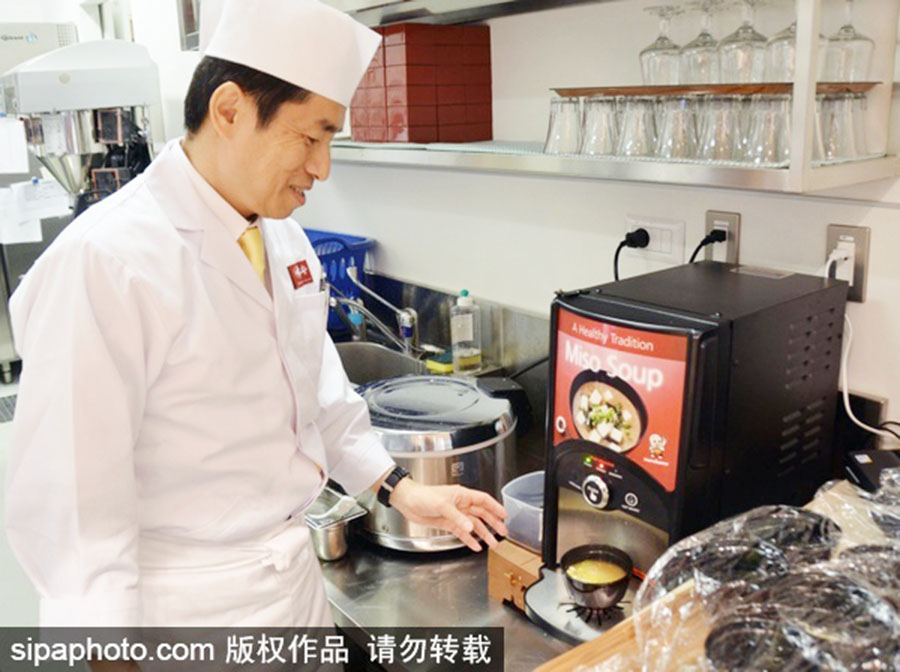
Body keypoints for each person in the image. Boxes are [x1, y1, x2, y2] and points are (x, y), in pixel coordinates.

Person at [4, 0, 507, 629]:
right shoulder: (105, 261)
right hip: (182, 612)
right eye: (312, 135)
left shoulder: (282, 238)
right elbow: (75, 509)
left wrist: (404, 491)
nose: (322, 167)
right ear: (230, 110)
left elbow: (321, 399)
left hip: (292, 588)